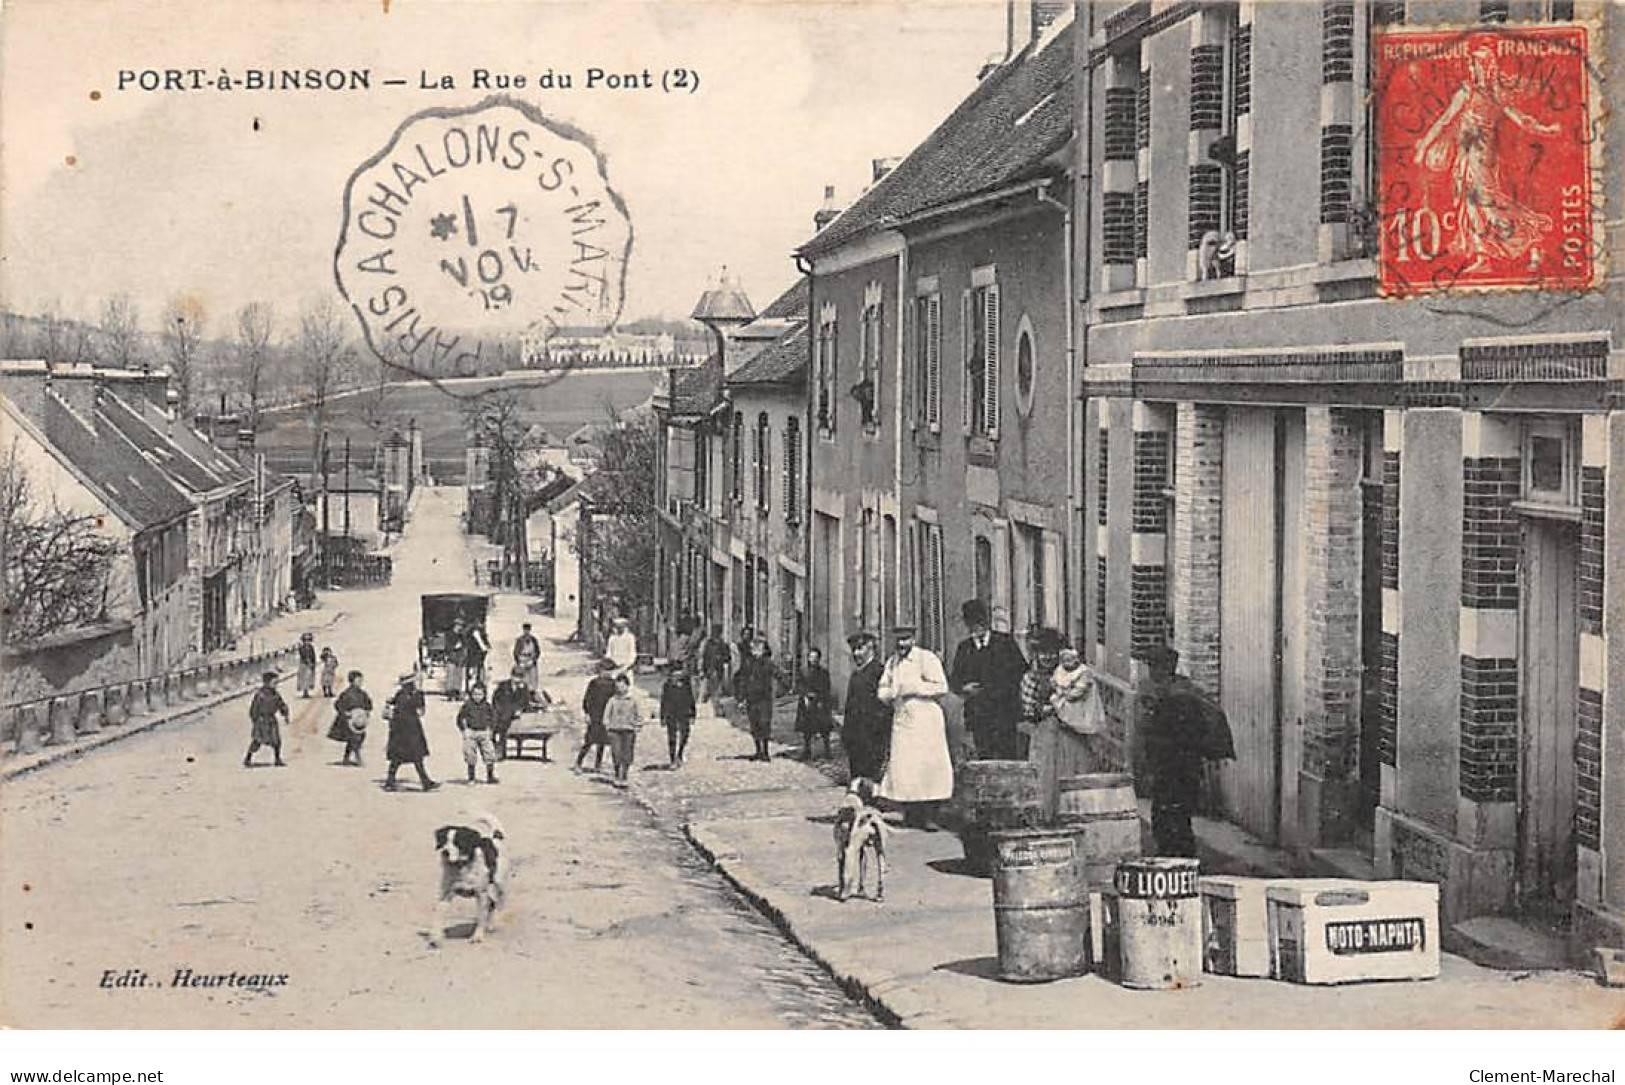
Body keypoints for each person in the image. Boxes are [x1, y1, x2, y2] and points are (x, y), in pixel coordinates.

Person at [1142, 646, 1232, 857]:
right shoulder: (1183, 689)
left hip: (1174, 768)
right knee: (1177, 817)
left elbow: (1171, 735)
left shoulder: (1175, 697)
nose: (1151, 673)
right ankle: (1179, 858)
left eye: (1153, 668)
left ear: (1163, 669)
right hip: (1183, 767)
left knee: (1170, 818)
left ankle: (1176, 861)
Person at [876, 625, 954, 828]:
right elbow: (883, 687)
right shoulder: (892, 662)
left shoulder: (926, 659)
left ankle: (930, 814)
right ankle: (911, 811)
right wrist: (889, 694)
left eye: (906, 639)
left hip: (926, 719)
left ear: (914, 639)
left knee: (928, 766)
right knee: (906, 767)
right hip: (903, 719)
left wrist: (915, 688)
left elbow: (941, 687)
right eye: (899, 640)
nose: (902, 644)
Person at [949, 599, 1028, 760]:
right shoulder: (964, 648)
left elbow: (1021, 671)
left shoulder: (1005, 642)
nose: (977, 627)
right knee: (984, 754)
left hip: (1004, 711)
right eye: (972, 623)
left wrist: (1004, 689)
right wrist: (965, 688)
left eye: (981, 621)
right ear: (967, 624)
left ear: (987, 622)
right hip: (979, 713)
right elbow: (955, 680)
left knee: (1007, 755)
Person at [1050, 646, 1111, 773]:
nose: (1067, 663)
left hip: (1082, 705)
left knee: (1086, 730)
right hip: (1067, 702)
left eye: (1070, 660)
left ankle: (1091, 761)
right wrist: (1058, 689)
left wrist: (1066, 694)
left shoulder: (1083, 672)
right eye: (1065, 660)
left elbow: (1079, 691)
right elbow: (1055, 681)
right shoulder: (1060, 670)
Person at [841, 631, 891, 782]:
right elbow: (850, 706)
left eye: (859, 649)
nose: (856, 653)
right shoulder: (856, 675)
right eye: (854, 650)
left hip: (873, 732)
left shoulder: (879, 671)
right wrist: (847, 731)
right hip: (856, 733)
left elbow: (885, 705)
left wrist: (880, 729)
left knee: (872, 771)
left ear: (871, 649)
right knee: (857, 770)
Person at [384, 671, 439, 792]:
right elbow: (420, 712)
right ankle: (391, 781)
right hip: (406, 728)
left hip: (406, 729)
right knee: (407, 757)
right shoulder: (409, 695)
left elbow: (420, 711)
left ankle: (392, 781)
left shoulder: (409, 694)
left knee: (409, 757)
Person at [1019, 628, 1064, 763]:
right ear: (1036, 655)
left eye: (1052, 653)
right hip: (1043, 733)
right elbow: (1029, 711)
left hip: (1068, 735)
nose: (1048, 657)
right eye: (1043, 653)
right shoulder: (1031, 678)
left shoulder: (1067, 675)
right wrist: (1045, 710)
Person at [735, 635, 777, 762]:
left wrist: (785, 688)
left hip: (764, 698)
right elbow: (741, 680)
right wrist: (741, 698)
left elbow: (778, 674)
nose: (755, 651)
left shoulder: (768, 663)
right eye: (753, 648)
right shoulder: (748, 663)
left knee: (765, 723)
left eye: (758, 648)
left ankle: (765, 751)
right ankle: (758, 750)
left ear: (764, 650)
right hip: (751, 698)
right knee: (755, 725)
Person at [575, 658, 618, 773]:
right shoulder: (594, 683)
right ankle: (578, 763)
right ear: (601, 670)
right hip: (595, 715)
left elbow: (616, 701)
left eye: (611, 671)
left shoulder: (614, 684)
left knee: (603, 742)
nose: (609, 673)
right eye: (607, 671)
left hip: (607, 716)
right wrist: (587, 713)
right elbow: (587, 699)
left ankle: (597, 765)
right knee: (589, 740)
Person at [603, 672, 643, 785]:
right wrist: (607, 725)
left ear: (627, 686)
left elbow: (639, 715)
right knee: (616, 753)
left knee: (627, 754)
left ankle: (624, 776)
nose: (620, 689)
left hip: (629, 730)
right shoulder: (612, 700)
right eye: (617, 686)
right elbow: (606, 715)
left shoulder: (633, 700)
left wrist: (638, 725)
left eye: (622, 686)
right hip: (614, 730)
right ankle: (617, 775)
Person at [794, 647, 834, 761]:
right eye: (811, 657)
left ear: (819, 659)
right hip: (806, 702)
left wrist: (821, 699)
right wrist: (805, 696)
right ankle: (807, 750)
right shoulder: (804, 672)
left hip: (819, 702)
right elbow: (799, 685)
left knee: (824, 727)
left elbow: (826, 688)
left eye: (815, 657)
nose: (813, 660)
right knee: (806, 728)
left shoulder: (823, 673)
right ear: (808, 658)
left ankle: (827, 751)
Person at [245, 671, 290, 767]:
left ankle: (277, 759)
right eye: (274, 683)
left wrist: (285, 713)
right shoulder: (260, 695)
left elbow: (281, 704)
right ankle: (248, 758)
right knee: (257, 740)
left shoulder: (275, 695)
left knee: (276, 740)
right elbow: (253, 709)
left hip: (271, 720)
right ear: (267, 683)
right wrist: (255, 720)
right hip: (261, 721)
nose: (276, 685)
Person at [457, 684, 500, 785]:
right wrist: (464, 730)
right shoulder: (467, 706)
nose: (477, 697)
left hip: (484, 732)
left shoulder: (487, 706)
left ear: (484, 695)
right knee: (470, 754)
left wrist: (491, 730)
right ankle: (471, 777)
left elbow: (494, 718)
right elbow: (460, 718)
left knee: (489, 754)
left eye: (480, 694)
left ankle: (490, 776)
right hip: (471, 732)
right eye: (475, 694)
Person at [328, 669, 372, 766]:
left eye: (361, 680)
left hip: (358, 721)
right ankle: (357, 757)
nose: (360, 682)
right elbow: (338, 705)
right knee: (354, 739)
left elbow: (368, 704)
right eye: (358, 680)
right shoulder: (346, 693)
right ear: (352, 681)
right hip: (348, 721)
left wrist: (366, 712)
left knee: (357, 738)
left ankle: (346, 758)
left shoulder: (363, 694)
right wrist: (345, 713)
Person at [658, 661, 696, 768]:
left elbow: (690, 698)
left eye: (678, 673)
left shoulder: (686, 684)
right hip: (671, 713)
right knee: (672, 737)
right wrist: (662, 716)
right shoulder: (667, 685)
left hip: (684, 712)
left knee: (685, 734)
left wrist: (693, 713)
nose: (676, 676)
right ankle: (672, 759)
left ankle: (680, 753)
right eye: (674, 674)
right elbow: (663, 701)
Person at [490, 666, 530, 760]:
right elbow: (495, 699)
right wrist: (498, 709)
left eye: (520, 677)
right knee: (494, 725)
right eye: (516, 676)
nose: (517, 679)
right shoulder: (503, 685)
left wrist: (519, 709)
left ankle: (500, 751)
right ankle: (495, 747)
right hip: (501, 710)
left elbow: (525, 701)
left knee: (503, 726)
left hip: (512, 712)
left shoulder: (523, 688)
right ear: (511, 676)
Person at [701, 623, 731, 703]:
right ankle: (710, 701)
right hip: (710, 670)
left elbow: (728, 658)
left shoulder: (723, 645)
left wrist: (721, 658)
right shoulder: (709, 644)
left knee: (716, 689)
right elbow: (705, 657)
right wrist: (704, 669)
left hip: (718, 669)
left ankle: (715, 703)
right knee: (711, 687)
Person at [443, 618, 468, 700]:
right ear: (455, 625)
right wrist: (454, 646)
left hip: (460, 658)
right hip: (452, 657)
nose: (460, 627)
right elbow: (447, 646)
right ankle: (450, 693)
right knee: (451, 675)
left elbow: (465, 646)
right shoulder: (449, 634)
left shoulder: (462, 635)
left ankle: (457, 692)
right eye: (458, 625)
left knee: (458, 675)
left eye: (461, 626)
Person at [465, 619, 491, 693]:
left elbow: (486, 644)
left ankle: (478, 688)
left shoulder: (481, 632)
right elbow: (481, 645)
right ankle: (472, 689)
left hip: (479, 657)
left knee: (479, 673)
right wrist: (485, 648)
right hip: (474, 656)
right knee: (473, 673)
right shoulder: (475, 632)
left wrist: (487, 647)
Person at [512, 622, 541, 692]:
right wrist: (518, 662)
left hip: (531, 659)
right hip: (522, 659)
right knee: (522, 678)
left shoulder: (533, 640)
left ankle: (532, 693)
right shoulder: (519, 640)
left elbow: (538, 651)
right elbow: (515, 652)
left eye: (528, 630)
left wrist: (533, 660)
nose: (526, 631)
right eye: (525, 630)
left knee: (533, 678)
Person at [296, 633, 317, 698]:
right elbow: (302, 656)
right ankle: (305, 692)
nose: (307, 642)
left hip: (310, 665)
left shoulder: (311, 647)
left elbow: (313, 655)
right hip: (304, 665)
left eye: (308, 640)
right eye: (305, 640)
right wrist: (307, 662)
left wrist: (313, 663)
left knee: (309, 678)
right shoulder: (302, 648)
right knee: (304, 678)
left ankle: (307, 691)